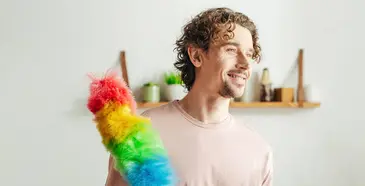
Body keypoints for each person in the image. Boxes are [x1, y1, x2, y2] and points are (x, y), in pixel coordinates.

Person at [104, 7, 273, 186]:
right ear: (196, 55)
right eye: (231, 50)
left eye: (249, 54)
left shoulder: (258, 150)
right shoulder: (142, 135)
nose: (245, 64)